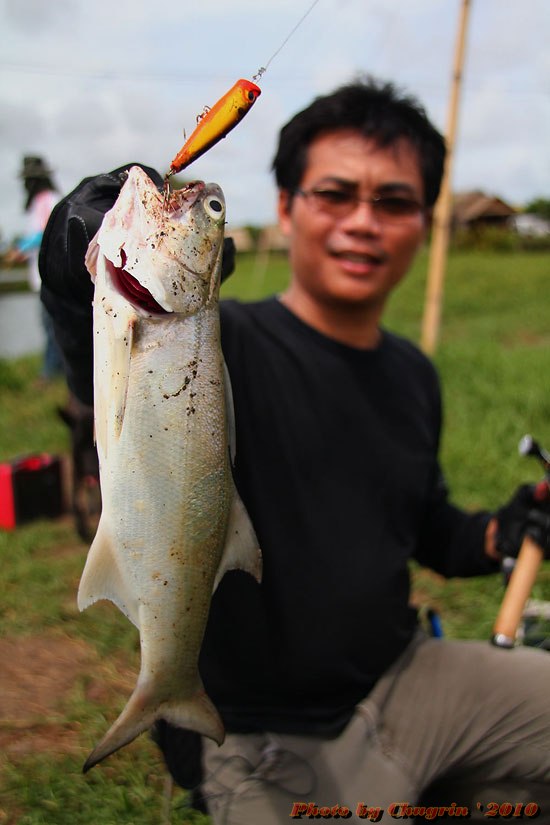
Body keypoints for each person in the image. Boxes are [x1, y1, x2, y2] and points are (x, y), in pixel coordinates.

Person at [39, 78, 550, 821]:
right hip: (264, 734)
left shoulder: (412, 373)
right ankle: (178, 699)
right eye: (335, 193)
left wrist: (500, 532)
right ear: (285, 206)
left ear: (424, 220)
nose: (363, 223)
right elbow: (94, 354)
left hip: (408, 678)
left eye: (395, 202)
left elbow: (423, 524)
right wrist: (66, 258)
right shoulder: (220, 343)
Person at [12, 156, 64, 381]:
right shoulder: (40, 203)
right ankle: (55, 371)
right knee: (51, 325)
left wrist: (21, 249)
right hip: (44, 276)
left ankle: (49, 374)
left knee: (52, 325)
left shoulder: (48, 200)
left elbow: (47, 231)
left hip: (51, 276)